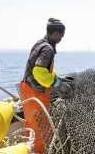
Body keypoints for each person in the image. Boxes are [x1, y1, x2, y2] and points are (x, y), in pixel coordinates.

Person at [19, 18, 73, 153]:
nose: (61, 38)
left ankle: (30, 149)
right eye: (61, 35)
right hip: (34, 92)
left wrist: (57, 78)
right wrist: (58, 84)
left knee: (32, 124)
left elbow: (44, 70)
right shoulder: (47, 49)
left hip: (28, 89)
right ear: (55, 33)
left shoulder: (40, 43)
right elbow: (39, 72)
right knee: (40, 127)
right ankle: (39, 151)